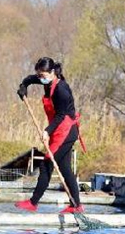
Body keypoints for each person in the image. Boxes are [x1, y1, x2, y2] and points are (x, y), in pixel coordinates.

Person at [15, 57, 86, 214]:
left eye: (43, 75)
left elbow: (60, 115)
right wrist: (23, 87)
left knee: (46, 164)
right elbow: (30, 79)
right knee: (65, 168)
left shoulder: (61, 90)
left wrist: (47, 131)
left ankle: (33, 203)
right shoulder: (46, 80)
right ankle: (77, 206)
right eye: (39, 75)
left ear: (52, 72)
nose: (41, 79)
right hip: (59, 130)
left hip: (66, 131)